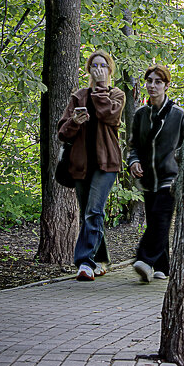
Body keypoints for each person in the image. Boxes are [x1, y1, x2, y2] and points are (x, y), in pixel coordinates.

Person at [58, 49, 125, 281]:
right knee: (89, 213)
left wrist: (100, 90)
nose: (99, 70)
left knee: (94, 210)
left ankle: (84, 262)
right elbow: (62, 132)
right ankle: (101, 259)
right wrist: (74, 122)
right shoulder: (78, 96)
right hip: (80, 165)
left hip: (107, 164)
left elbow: (110, 116)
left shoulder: (117, 94)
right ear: (88, 69)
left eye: (103, 66)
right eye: (94, 66)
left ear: (109, 70)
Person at [127, 64, 184, 283]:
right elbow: (133, 146)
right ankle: (163, 266)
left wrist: (182, 173)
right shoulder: (140, 115)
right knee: (154, 219)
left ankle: (144, 259)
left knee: (161, 218)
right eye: (149, 81)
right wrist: (133, 162)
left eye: (158, 82)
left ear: (166, 86)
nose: (153, 86)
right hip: (148, 178)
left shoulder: (179, 115)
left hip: (171, 177)